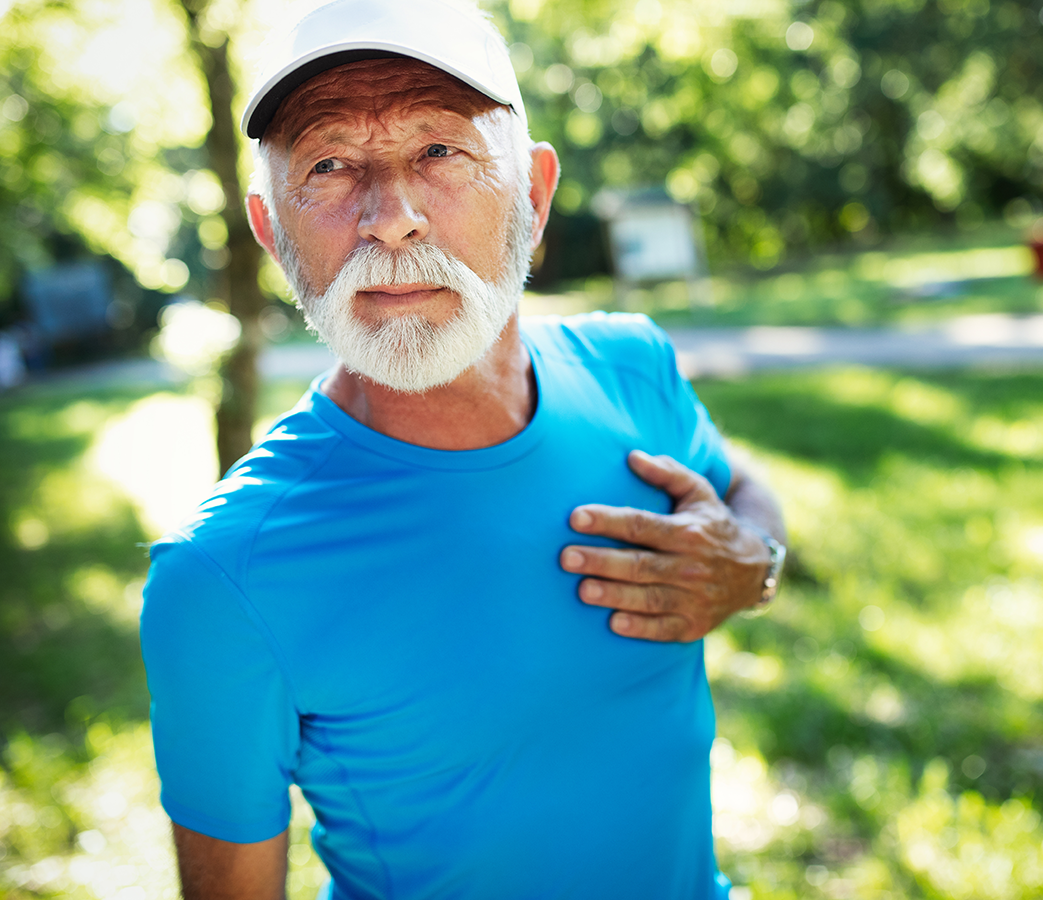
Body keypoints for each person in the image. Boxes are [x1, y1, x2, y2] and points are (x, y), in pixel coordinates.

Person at [139, 0, 787, 897]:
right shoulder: (220, 577)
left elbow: (739, 488)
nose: (391, 217)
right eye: (328, 165)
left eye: (438, 151)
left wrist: (755, 563)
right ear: (271, 232)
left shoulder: (633, 365)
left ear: (532, 192)